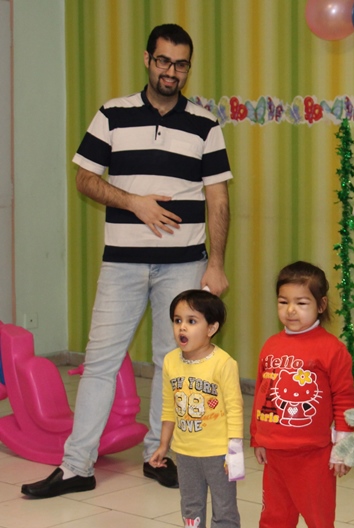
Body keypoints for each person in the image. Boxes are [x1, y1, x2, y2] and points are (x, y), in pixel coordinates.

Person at [22, 23, 232, 498]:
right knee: (100, 362)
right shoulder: (112, 114)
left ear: (188, 68)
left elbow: (218, 198)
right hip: (122, 264)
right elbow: (85, 178)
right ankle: (76, 467)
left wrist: (216, 263)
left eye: (181, 64)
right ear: (147, 59)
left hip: (184, 264)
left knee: (171, 362)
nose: (171, 72)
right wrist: (134, 202)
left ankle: (159, 455)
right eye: (164, 61)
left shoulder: (205, 124)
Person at [251, 261, 354, 528]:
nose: (290, 310)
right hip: (275, 453)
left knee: (318, 518)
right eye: (283, 301)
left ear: (321, 305)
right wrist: (257, 437)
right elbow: (263, 394)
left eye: (301, 303)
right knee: (274, 517)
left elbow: (344, 399)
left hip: (314, 456)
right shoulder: (271, 346)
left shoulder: (332, 349)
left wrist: (343, 448)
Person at [149, 289, 243, 528]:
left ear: (211, 328)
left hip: (219, 453)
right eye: (177, 320)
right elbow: (169, 406)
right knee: (191, 507)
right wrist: (163, 445)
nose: (182, 327)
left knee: (224, 509)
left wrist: (234, 449)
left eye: (191, 321)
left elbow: (235, 408)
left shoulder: (223, 363)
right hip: (185, 453)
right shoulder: (170, 361)